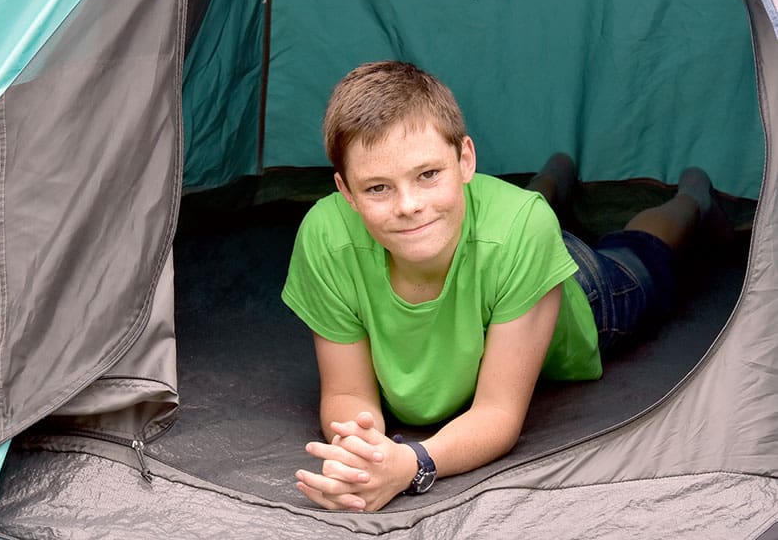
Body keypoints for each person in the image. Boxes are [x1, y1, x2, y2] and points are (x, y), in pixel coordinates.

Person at [280, 60, 726, 512]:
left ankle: (692, 201)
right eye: (377, 188)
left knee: (639, 256)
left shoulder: (522, 229)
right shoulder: (326, 236)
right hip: (497, 236)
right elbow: (347, 394)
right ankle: (552, 181)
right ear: (346, 192)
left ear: (465, 160)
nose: (408, 205)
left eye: (428, 174)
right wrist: (364, 455)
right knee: (516, 214)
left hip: (579, 285)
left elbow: (497, 413)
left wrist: (410, 464)